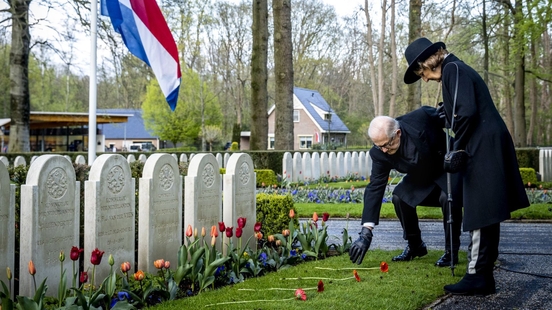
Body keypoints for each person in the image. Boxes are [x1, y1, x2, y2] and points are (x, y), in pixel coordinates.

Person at [403, 37, 530, 296]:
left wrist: (455, 148)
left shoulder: (452, 69)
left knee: (481, 209)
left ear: (428, 62)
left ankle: (477, 276)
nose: (424, 79)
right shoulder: (458, 69)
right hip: (488, 141)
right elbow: (460, 111)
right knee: (487, 209)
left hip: (482, 145)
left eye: (422, 72)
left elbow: (466, 112)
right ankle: (482, 274)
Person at [348, 106, 463, 268]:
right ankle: (415, 246)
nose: (383, 150)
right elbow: (375, 187)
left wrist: (453, 117)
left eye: (387, 145)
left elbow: (456, 122)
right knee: (400, 197)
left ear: (398, 133)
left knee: (447, 198)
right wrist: (366, 232)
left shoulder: (420, 118)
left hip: (447, 168)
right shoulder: (379, 152)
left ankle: (451, 251)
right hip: (422, 177)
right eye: (378, 146)